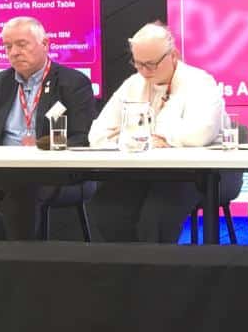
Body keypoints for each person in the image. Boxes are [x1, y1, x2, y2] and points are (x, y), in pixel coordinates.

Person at [0, 16, 95, 240]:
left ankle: (23, 263)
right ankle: (10, 249)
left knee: (21, 193)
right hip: (4, 170)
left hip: (56, 173)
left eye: (22, 44)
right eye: (8, 46)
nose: (14, 52)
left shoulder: (73, 83)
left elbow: (84, 138)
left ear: (45, 44)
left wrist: (43, 148)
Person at [88, 21, 227, 242]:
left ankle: (156, 274)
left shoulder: (200, 82)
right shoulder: (133, 83)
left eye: (151, 64)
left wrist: (149, 135)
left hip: (192, 174)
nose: (144, 72)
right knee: (105, 208)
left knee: (155, 216)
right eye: (138, 64)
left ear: (173, 55)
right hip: (142, 172)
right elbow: (97, 133)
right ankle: (124, 271)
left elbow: (201, 134)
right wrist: (150, 138)